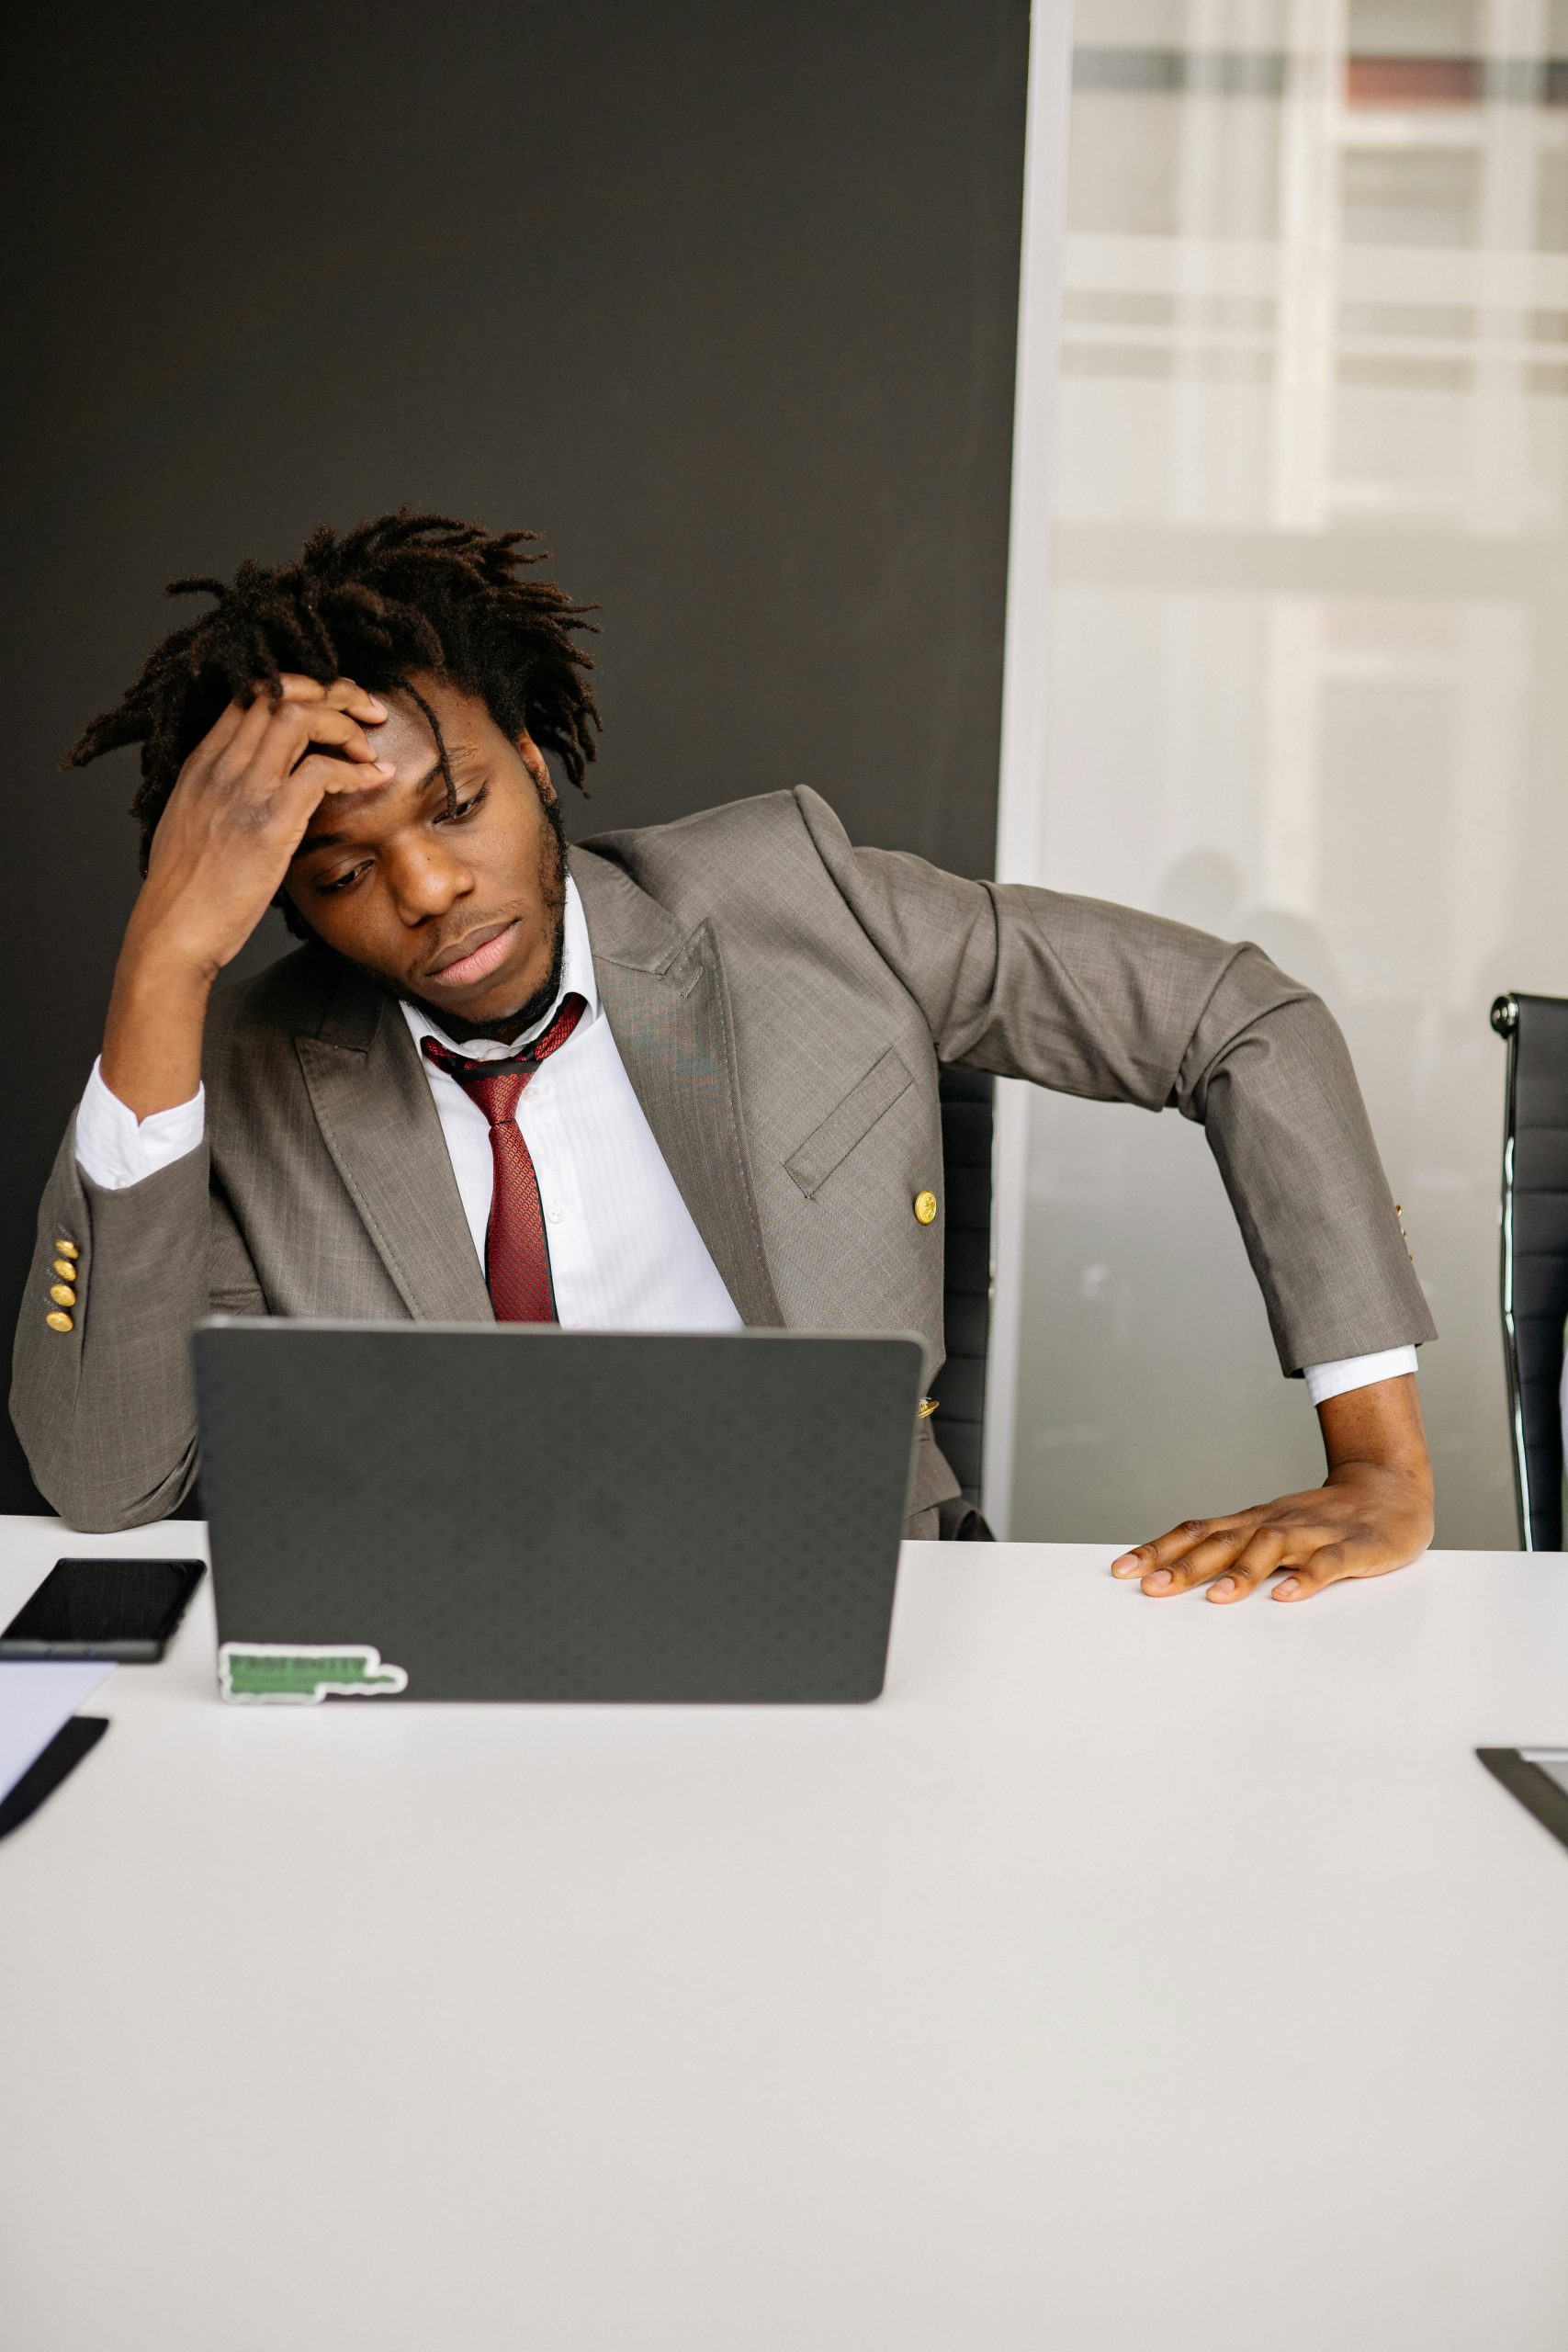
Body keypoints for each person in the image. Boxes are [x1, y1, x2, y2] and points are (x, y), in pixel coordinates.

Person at [12, 512, 1436, 1597]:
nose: (428, 889)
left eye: (456, 808)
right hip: (452, 1659)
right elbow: (106, 1486)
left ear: (534, 754)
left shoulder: (795, 908)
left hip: (862, 1612)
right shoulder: (245, 1075)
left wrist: (1377, 1461)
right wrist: (163, 968)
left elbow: (1236, 1019)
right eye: (340, 874)